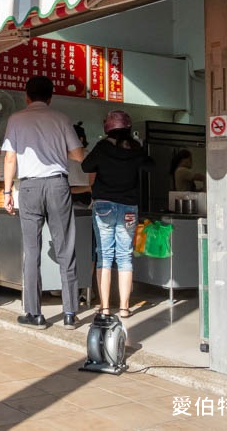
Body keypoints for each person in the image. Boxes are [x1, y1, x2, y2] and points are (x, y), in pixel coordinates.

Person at [2, 76, 85, 330]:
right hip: (58, 185)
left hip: (29, 187)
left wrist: (7, 192)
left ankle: (34, 314)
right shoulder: (61, 118)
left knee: (32, 249)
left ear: (27, 97)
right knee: (65, 248)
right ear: (51, 97)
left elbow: (9, 160)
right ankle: (70, 313)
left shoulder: (15, 119)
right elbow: (78, 155)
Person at [81, 110, 154, 320]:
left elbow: (86, 165)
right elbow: (151, 166)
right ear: (129, 128)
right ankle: (124, 307)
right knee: (124, 256)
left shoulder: (103, 147)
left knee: (104, 255)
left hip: (104, 206)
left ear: (108, 128)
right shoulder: (135, 148)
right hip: (129, 207)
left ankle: (104, 308)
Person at [66, 122, 91, 206]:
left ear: (81, 139)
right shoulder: (91, 156)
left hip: (77, 195)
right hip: (83, 195)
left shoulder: (62, 155)